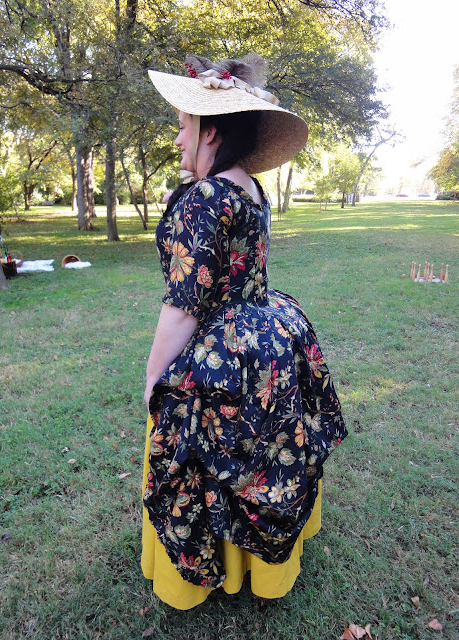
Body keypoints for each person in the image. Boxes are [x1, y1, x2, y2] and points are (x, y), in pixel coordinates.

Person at [142, 53, 347, 609]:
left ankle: (203, 572)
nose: (177, 138)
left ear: (210, 132)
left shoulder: (206, 197)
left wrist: (154, 377)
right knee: (265, 447)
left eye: (183, 125)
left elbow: (184, 306)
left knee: (196, 442)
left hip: (223, 346)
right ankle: (261, 566)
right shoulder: (249, 187)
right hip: (271, 333)